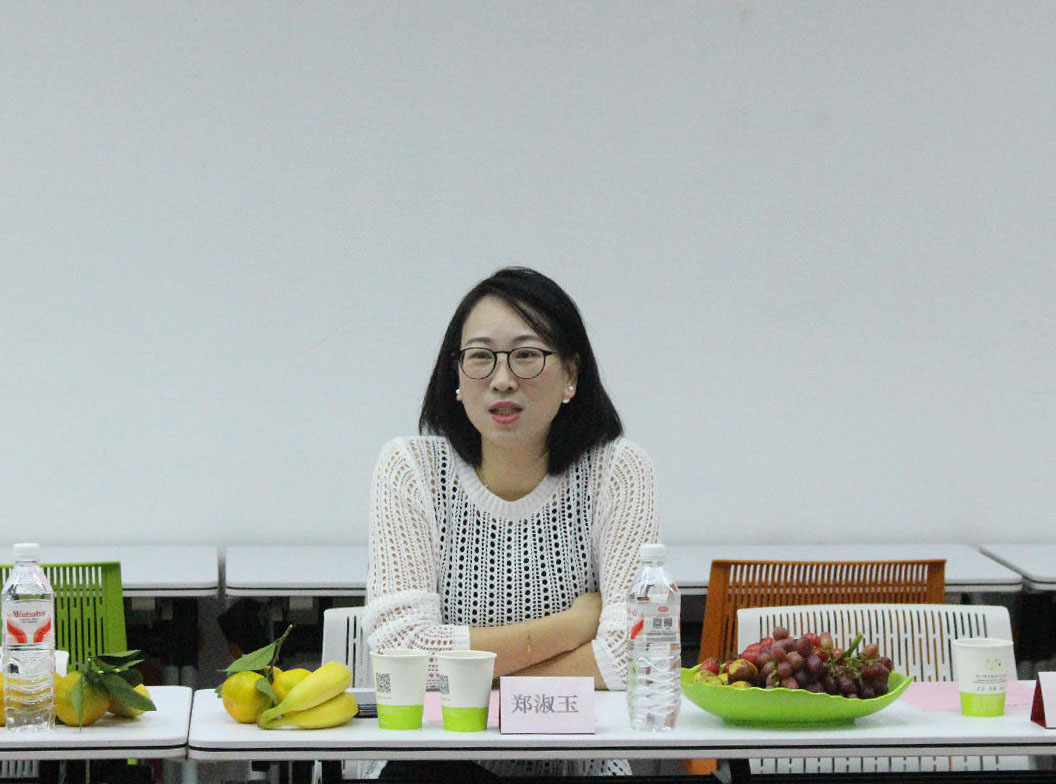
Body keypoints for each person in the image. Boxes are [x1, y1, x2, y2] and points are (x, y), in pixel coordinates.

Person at [365, 267, 660, 778]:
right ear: (457, 378)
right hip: (440, 767)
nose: (502, 379)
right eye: (481, 357)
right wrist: (570, 628)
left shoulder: (617, 470)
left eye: (526, 355)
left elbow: (631, 654)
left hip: (580, 768)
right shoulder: (411, 469)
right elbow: (402, 653)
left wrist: (474, 683)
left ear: (571, 375)